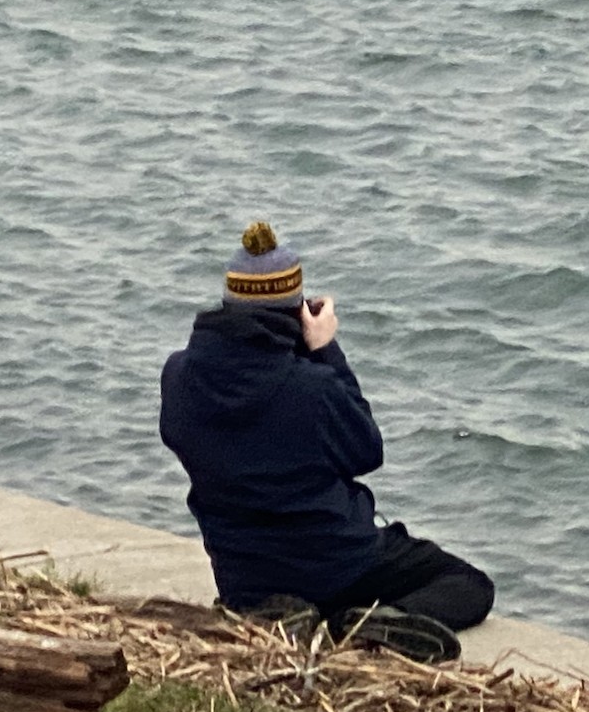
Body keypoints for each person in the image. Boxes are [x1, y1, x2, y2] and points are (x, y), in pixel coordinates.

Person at [159, 220, 495, 662]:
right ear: (295, 308)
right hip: (338, 566)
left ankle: (278, 614)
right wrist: (324, 350)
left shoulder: (179, 375)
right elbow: (366, 450)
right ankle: (370, 622)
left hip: (243, 577)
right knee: (470, 585)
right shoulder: (311, 386)